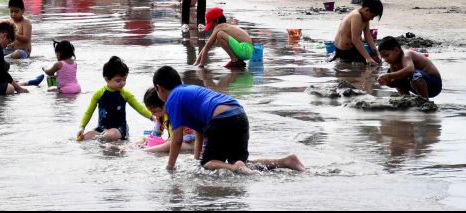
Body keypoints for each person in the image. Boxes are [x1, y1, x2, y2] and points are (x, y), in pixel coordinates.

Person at [153, 66, 305, 173]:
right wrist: (196, 160)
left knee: (209, 164)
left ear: (159, 88)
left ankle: (234, 167)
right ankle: (286, 161)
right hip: (239, 114)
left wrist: (170, 167)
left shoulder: (172, 98)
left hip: (221, 119)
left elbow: (177, 139)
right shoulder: (189, 91)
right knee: (241, 164)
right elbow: (198, 132)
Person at [77, 56, 152, 142]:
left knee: (111, 135)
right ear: (107, 79)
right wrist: (81, 127)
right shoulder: (99, 94)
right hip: (102, 129)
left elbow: (139, 107)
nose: (122, 83)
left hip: (119, 130)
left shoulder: (125, 94)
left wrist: (152, 117)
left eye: (124, 80)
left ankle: (101, 140)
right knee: (84, 137)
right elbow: (88, 112)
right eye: (118, 81)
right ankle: (100, 140)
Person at [377, 36, 442, 99]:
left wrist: (390, 76)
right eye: (383, 57)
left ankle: (425, 101)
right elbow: (397, 82)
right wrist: (386, 82)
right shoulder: (393, 63)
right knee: (394, 74)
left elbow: (410, 70)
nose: (385, 59)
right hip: (418, 85)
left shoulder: (406, 55)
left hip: (434, 84)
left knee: (414, 74)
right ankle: (405, 97)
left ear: (397, 50)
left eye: (387, 55)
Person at [140, 88, 195, 154]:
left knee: (169, 145)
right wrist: (149, 140)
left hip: (191, 144)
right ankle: (130, 147)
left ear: (165, 103)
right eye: (151, 112)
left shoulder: (179, 114)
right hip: (174, 141)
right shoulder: (161, 116)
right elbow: (156, 134)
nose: (153, 114)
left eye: (154, 111)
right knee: (143, 138)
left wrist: (175, 139)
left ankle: (144, 151)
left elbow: (193, 135)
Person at [331, 0, 383, 66]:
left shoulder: (365, 18)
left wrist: (376, 52)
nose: (372, 19)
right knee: (371, 64)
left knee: (376, 59)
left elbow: (368, 37)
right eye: (372, 15)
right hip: (344, 51)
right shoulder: (356, 16)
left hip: (353, 49)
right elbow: (355, 39)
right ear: (367, 10)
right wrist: (368, 58)